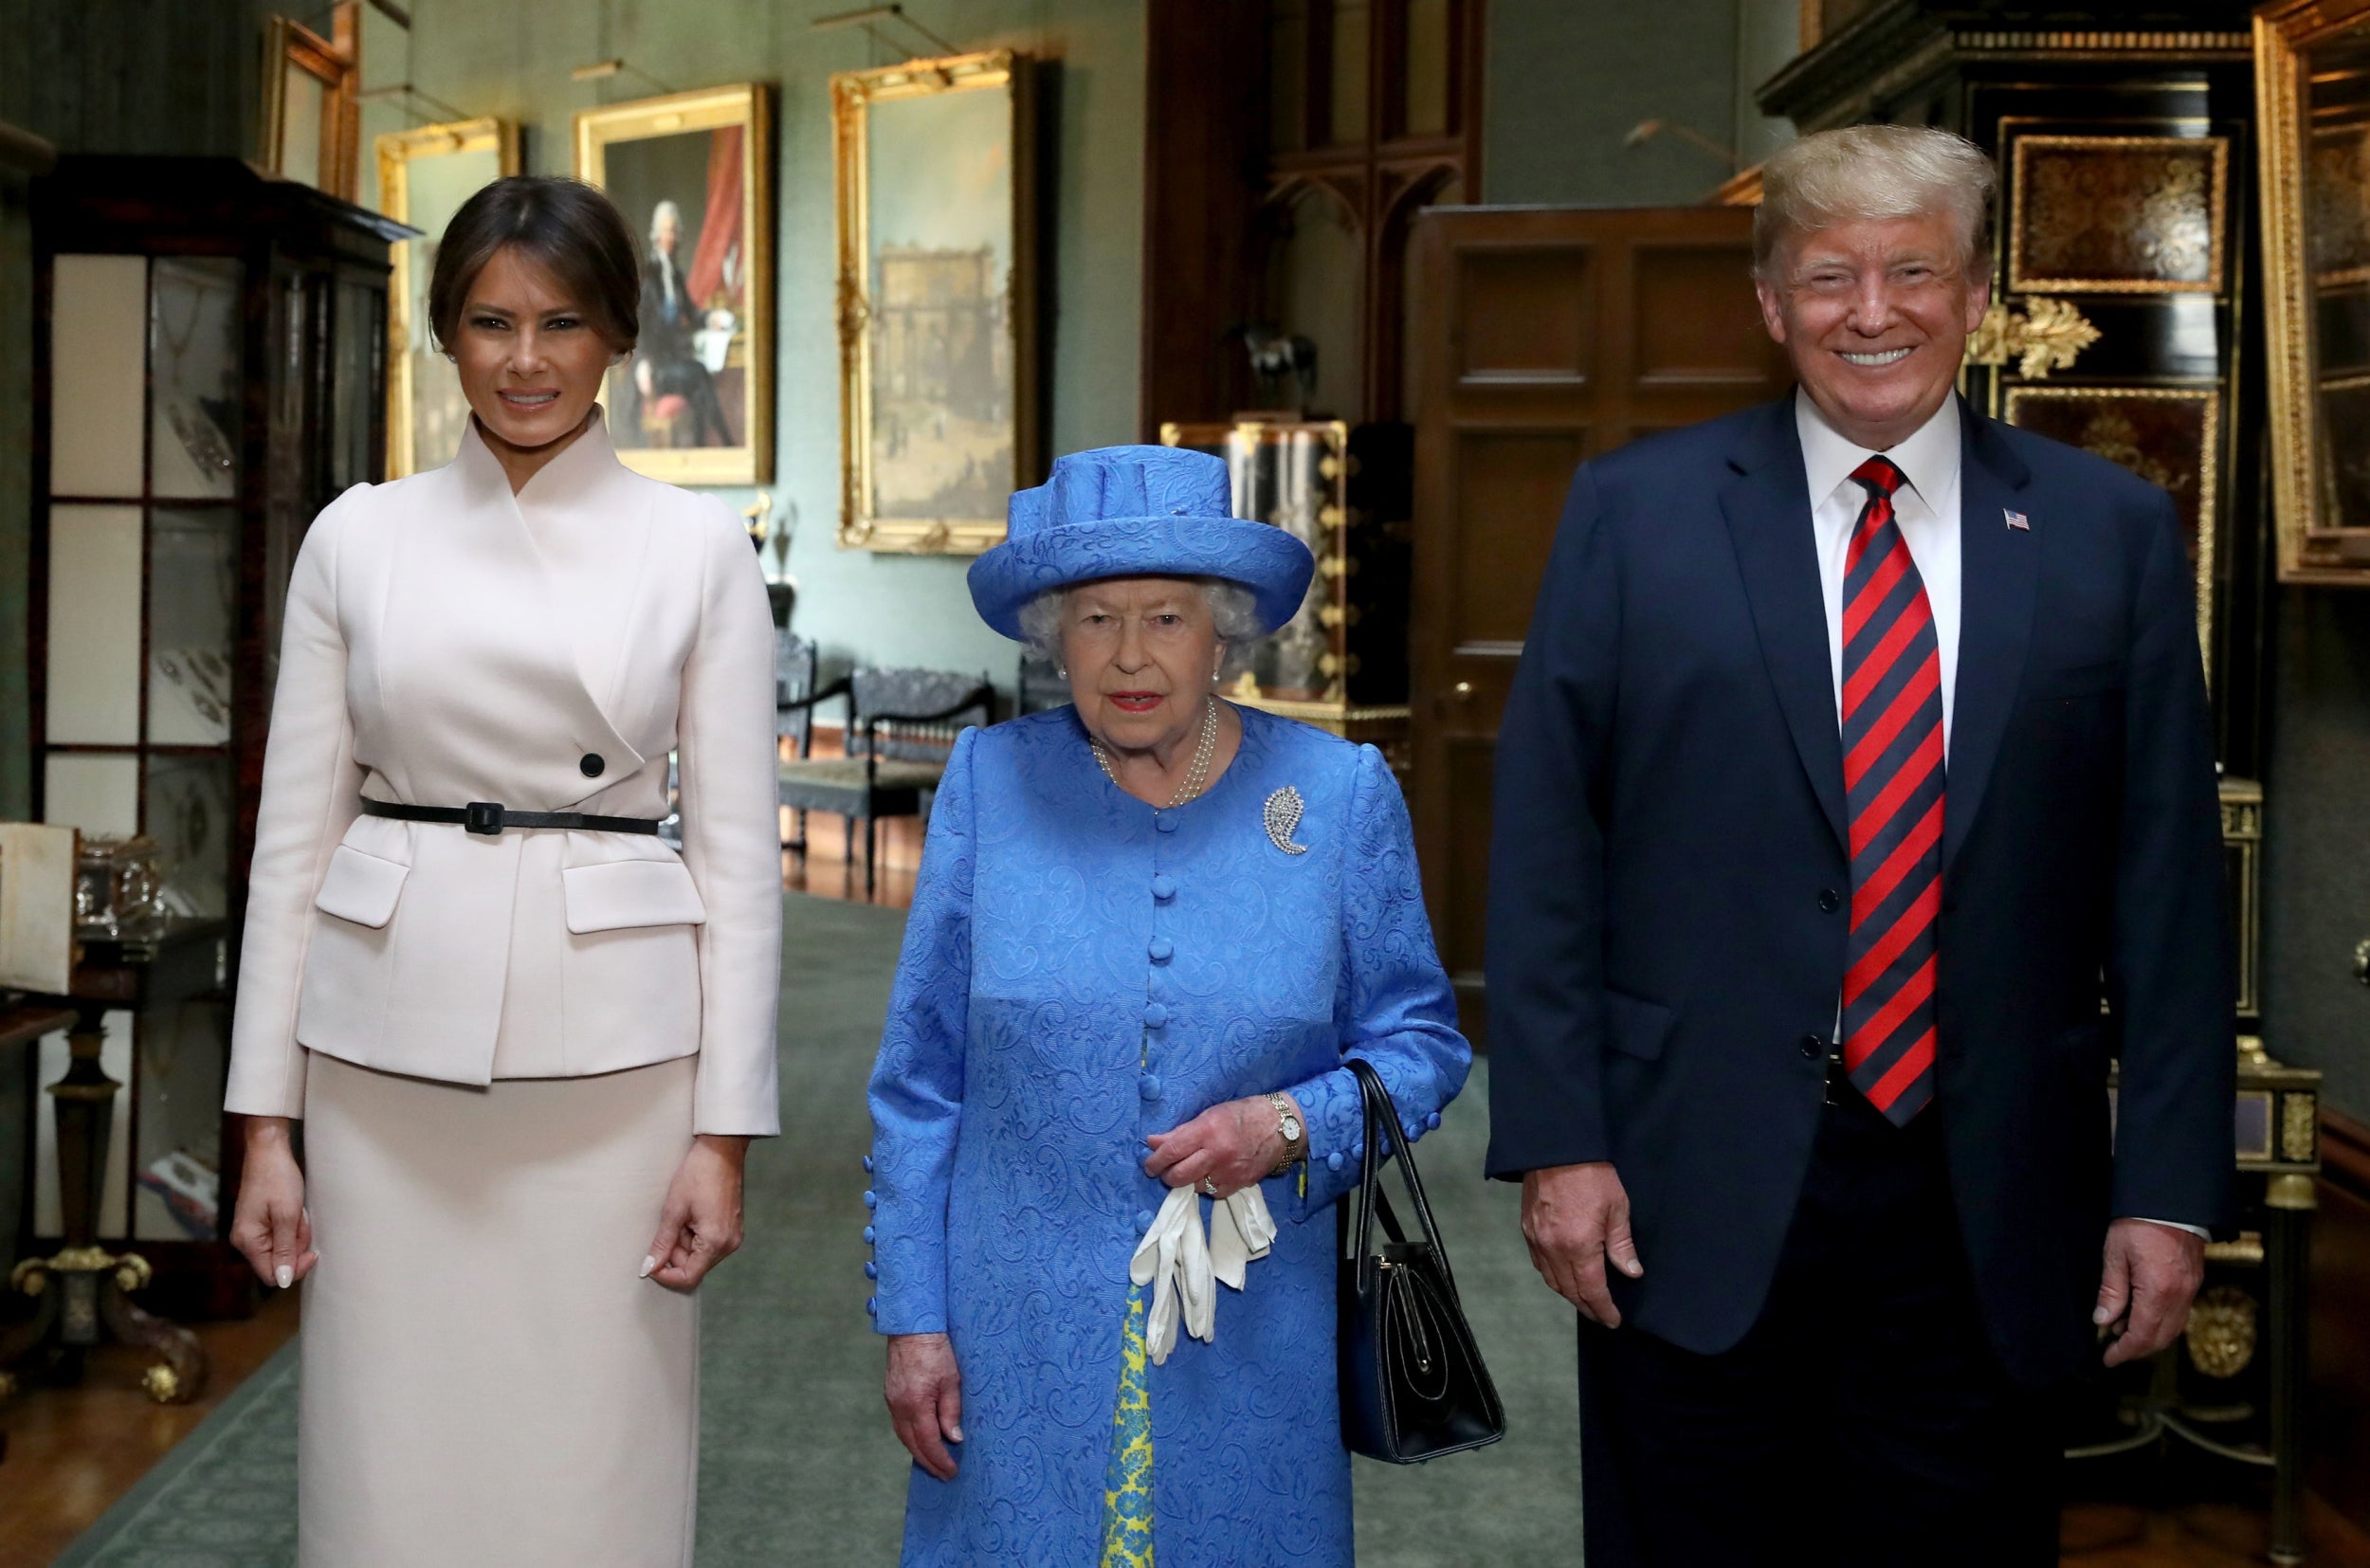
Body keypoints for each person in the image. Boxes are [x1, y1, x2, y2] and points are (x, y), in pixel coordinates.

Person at [1486, 124, 2233, 1565]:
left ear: (1978, 295)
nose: (1872, 311)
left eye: (1914, 270)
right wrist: (1559, 1138)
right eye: (1829, 275)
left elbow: (2169, 891)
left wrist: (2166, 1186)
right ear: (1772, 302)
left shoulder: (2110, 530)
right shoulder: (1634, 516)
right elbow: (1546, 850)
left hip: (1994, 1195)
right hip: (1689, 1178)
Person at [223, 174, 781, 1566]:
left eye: (561, 323)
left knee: (595, 1452)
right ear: (445, 335)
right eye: (489, 322)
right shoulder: (358, 535)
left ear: (617, 338)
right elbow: (291, 843)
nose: (525, 361)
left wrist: (723, 1135)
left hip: (613, 1069)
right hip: (381, 1055)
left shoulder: (696, 547)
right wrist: (263, 1126)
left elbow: (737, 861)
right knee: (384, 1453)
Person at [867, 446, 1470, 1566]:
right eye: (1095, 619)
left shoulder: (1338, 797)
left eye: (1165, 618)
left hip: (1255, 1337)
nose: (1130, 656)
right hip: (1017, 1332)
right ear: (1055, 636)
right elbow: (920, 1079)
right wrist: (913, 1317)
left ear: (1224, 633)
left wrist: (1291, 1126)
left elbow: (1423, 1042)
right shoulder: (987, 784)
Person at [632, 197, 732, 447]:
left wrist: (711, 319)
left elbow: (692, 313)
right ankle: (726, 442)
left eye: (675, 231)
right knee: (699, 373)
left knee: (700, 389)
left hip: (673, 363)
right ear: (657, 234)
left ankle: (702, 449)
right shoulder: (648, 274)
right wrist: (642, 362)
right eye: (667, 231)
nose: (672, 237)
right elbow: (638, 323)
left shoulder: (675, 275)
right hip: (655, 368)